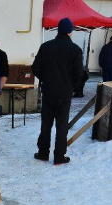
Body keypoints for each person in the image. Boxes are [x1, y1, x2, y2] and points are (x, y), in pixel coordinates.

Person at [31, 17, 83, 165]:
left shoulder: (46, 46)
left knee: (46, 124)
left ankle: (43, 153)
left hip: (48, 91)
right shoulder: (75, 50)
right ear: (70, 32)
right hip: (65, 93)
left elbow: (35, 68)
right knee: (62, 125)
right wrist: (72, 86)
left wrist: (46, 78)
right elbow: (78, 74)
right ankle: (59, 156)